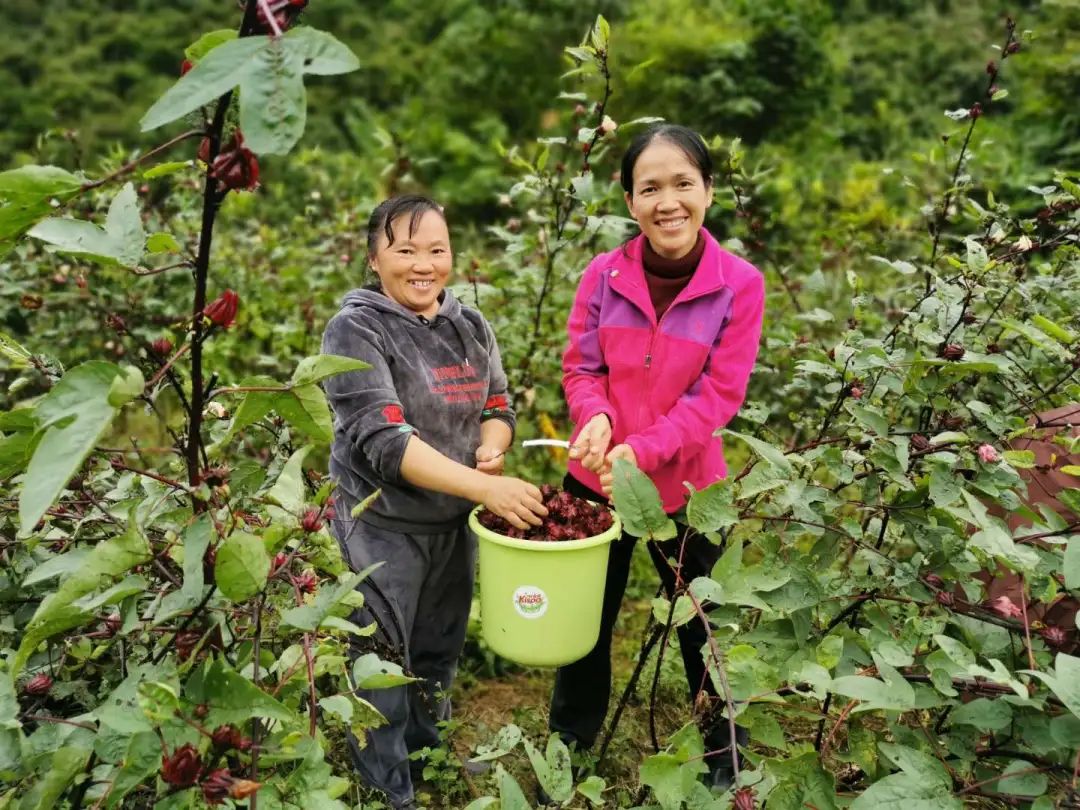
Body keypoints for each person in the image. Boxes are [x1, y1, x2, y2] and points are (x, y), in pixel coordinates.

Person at [548, 124, 765, 792]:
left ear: (708, 190)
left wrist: (640, 450)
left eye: (682, 184)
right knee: (581, 623)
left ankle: (724, 763)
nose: (667, 201)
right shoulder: (602, 274)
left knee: (705, 627)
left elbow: (718, 397)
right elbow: (581, 367)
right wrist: (598, 416)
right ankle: (569, 753)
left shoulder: (740, 284)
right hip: (594, 476)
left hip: (690, 486)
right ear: (629, 198)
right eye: (650, 187)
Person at [321, 194, 548, 809]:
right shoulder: (355, 328)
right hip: (381, 527)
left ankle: (428, 760)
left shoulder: (469, 325)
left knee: (437, 653)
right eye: (405, 250)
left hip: (453, 525)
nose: (424, 264)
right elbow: (385, 443)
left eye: (437, 250)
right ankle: (384, 788)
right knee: (382, 663)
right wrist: (485, 487)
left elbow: (497, 406)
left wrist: (491, 453)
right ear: (374, 258)